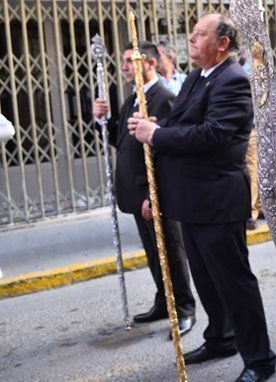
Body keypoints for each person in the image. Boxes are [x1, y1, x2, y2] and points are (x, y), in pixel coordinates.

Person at [128, 13, 276, 382]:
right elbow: (182, 124)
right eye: (191, 34)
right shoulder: (197, 76)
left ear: (222, 43)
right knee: (207, 279)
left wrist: (156, 136)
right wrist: (157, 128)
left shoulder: (233, 81)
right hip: (190, 199)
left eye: (198, 35)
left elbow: (213, 135)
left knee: (233, 281)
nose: (190, 40)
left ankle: (259, 358)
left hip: (217, 198)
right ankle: (221, 337)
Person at [92, 41, 196, 337]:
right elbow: (120, 139)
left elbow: (169, 151)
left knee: (171, 251)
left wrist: (155, 193)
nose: (124, 67)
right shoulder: (132, 99)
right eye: (123, 61)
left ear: (150, 64)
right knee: (153, 252)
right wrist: (105, 119)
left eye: (130, 61)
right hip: (137, 193)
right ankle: (164, 302)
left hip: (156, 193)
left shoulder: (163, 98)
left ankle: (184, 308)